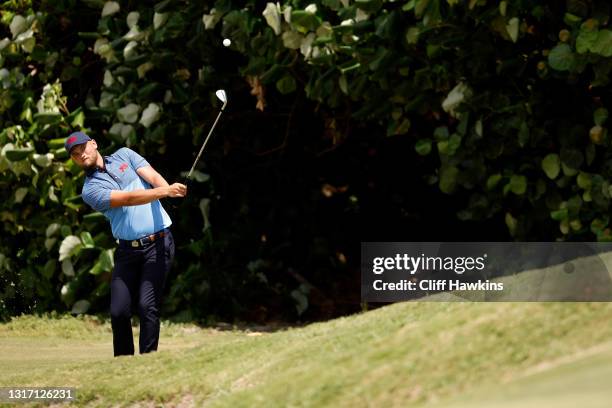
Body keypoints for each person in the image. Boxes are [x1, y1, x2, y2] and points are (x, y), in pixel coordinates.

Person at [64, 131, 187, 357]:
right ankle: (123, 363)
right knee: (119, 312)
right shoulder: (89, 190)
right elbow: (129, 199)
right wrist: (165, 191)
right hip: (127, 251)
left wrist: (168, 190)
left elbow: (153, 177)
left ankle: (148, 361)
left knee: (147, 305)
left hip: (158, 243)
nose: (81, 154)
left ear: (94, 143)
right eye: (75, 154)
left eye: (83, 148)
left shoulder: (125, 155)